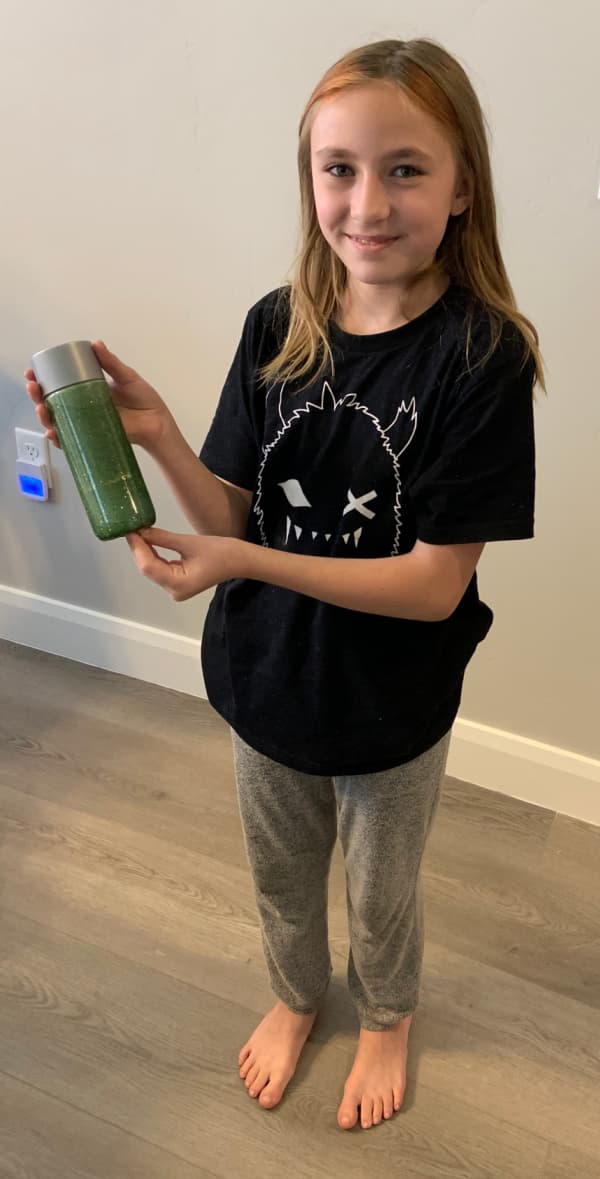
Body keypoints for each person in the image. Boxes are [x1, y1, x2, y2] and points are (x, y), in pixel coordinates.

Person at [25, 38, 543, 1132]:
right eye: (338, 168)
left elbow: (434, 588)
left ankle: (389, 1013)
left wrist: (243, 561)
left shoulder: (479, 359)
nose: (366, 202)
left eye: (405, 168)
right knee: (281, 873)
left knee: (381, 886)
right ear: (309, 183)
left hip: (391, 705)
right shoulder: (280, 326)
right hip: (266, 680)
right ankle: (298, 995)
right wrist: (162, 433)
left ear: (462, 189)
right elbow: (228, 515)